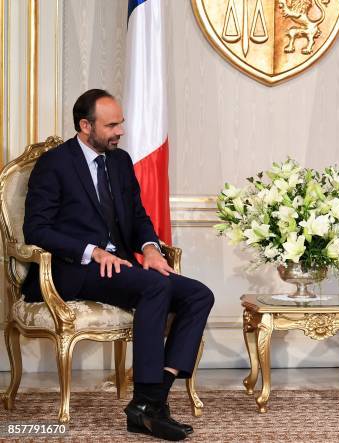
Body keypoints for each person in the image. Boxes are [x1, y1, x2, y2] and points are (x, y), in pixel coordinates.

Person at [22, 89, 214, 441]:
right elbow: (35, 229)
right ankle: (146, 404)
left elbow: (138, 216)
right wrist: (91, 251)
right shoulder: (54, 164)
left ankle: (149, 402)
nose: (120, 131)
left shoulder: (120, 161)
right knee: (155, 286)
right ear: (85, 126)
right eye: (111, 125)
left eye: (120, 123)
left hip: (120, 265)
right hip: (74, 269)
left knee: (199, 295)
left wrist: (151, 248)